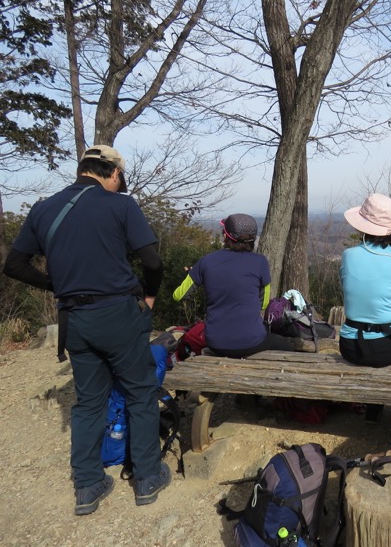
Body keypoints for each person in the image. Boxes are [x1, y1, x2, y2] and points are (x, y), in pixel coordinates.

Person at [3, 145, 170, 515]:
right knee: (141, 392)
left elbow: (14, 264)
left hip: (74, 320)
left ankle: (88, 486)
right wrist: (150, 297)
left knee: (89, 401)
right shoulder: (122, 205)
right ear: (112, 173)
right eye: (119, 178)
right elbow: (152, 261)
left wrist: (59, 285)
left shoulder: (44, 208)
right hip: (119, 313)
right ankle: (146, 478)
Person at [339, 194, 391, 420]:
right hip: (386, 348)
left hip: (349, 346)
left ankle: (372, 412)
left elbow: (347, 287)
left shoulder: (348, 255)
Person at [172, 213, 306, 357]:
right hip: (252, 340)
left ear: (226, 237)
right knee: (286, 346)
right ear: (252, 239)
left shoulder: (206, 261)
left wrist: (193, 275)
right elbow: (264, 303)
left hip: (216, 342)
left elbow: (179, 296)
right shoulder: (260, 262)